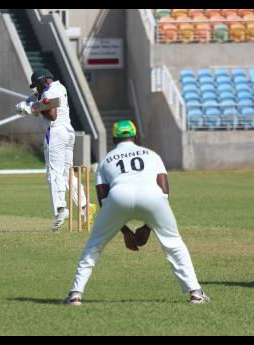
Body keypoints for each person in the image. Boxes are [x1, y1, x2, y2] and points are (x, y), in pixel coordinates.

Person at [63, 120, 210, 305]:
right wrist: (148, 227)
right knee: (174, 244)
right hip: (152, 196)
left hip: (119, 195)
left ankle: (75, 294)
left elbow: (103, 199)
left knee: (94, 245)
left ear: (114, 138)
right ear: (135, 135)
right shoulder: (152, 155)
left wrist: (124, 232)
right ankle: (196, 293)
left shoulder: (105, 160)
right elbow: (164, 190)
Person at [16, 68, 96, 232]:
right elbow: (42, 102)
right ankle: (84, 206)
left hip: (56, 132)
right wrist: (32, 103)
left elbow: (52, 115)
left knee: (53, 172)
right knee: (67, 173)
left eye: (37, 85)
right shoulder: (58, 88)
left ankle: (60, 209)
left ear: (43, 80)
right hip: (68, 132)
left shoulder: (50, 91)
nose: (36, 89)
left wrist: (32, 109)